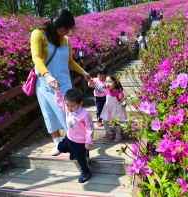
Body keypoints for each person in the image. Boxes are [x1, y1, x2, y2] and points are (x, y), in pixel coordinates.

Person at [30, 8, 91, 156]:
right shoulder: (38, 34)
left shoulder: (66, 40)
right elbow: (36, 57)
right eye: (65, 29)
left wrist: (83, 72)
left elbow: (70, 61)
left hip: (63, 83)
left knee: (69, 116)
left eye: (68, 29)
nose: (67, 32)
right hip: (45, 83)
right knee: (49, 114)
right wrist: (47, 76)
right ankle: (57, 143)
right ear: (56, 24)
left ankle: (77, 143)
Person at [54, 86, 94, 183]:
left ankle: (86, 171)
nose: (69, 108)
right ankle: (73, 152)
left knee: (81, 159)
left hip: (80, 142)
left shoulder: (85, 115)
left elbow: (90, 128)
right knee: (60, 147)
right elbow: (59, 102)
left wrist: (88, 141)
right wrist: (57, 91)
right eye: (67, 105)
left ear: (80, 104)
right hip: (69, 138)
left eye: (72, 106)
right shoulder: (68, 109)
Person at [92, 74, 127, 143]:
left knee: (116, 124)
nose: (107, 84)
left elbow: (122, 100)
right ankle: (108, 132)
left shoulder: (118, 93)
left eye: (110, 82)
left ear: (116, 83)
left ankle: (118, 136)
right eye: (106, 82)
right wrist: (94, 84)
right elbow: (100, 89)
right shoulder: (107, 90)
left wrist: (124, 103)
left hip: (116, 110)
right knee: (104, 121)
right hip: (108, 110)